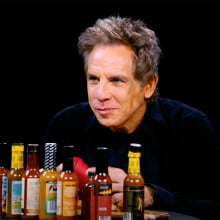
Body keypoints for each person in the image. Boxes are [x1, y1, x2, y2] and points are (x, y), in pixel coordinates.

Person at [43, 15, 220, 219]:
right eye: (93, 79)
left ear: (149, 85)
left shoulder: (189, 126)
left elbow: (214, 207)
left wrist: (152, 195)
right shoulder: (66, 124)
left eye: (116, 80)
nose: (100, 95)